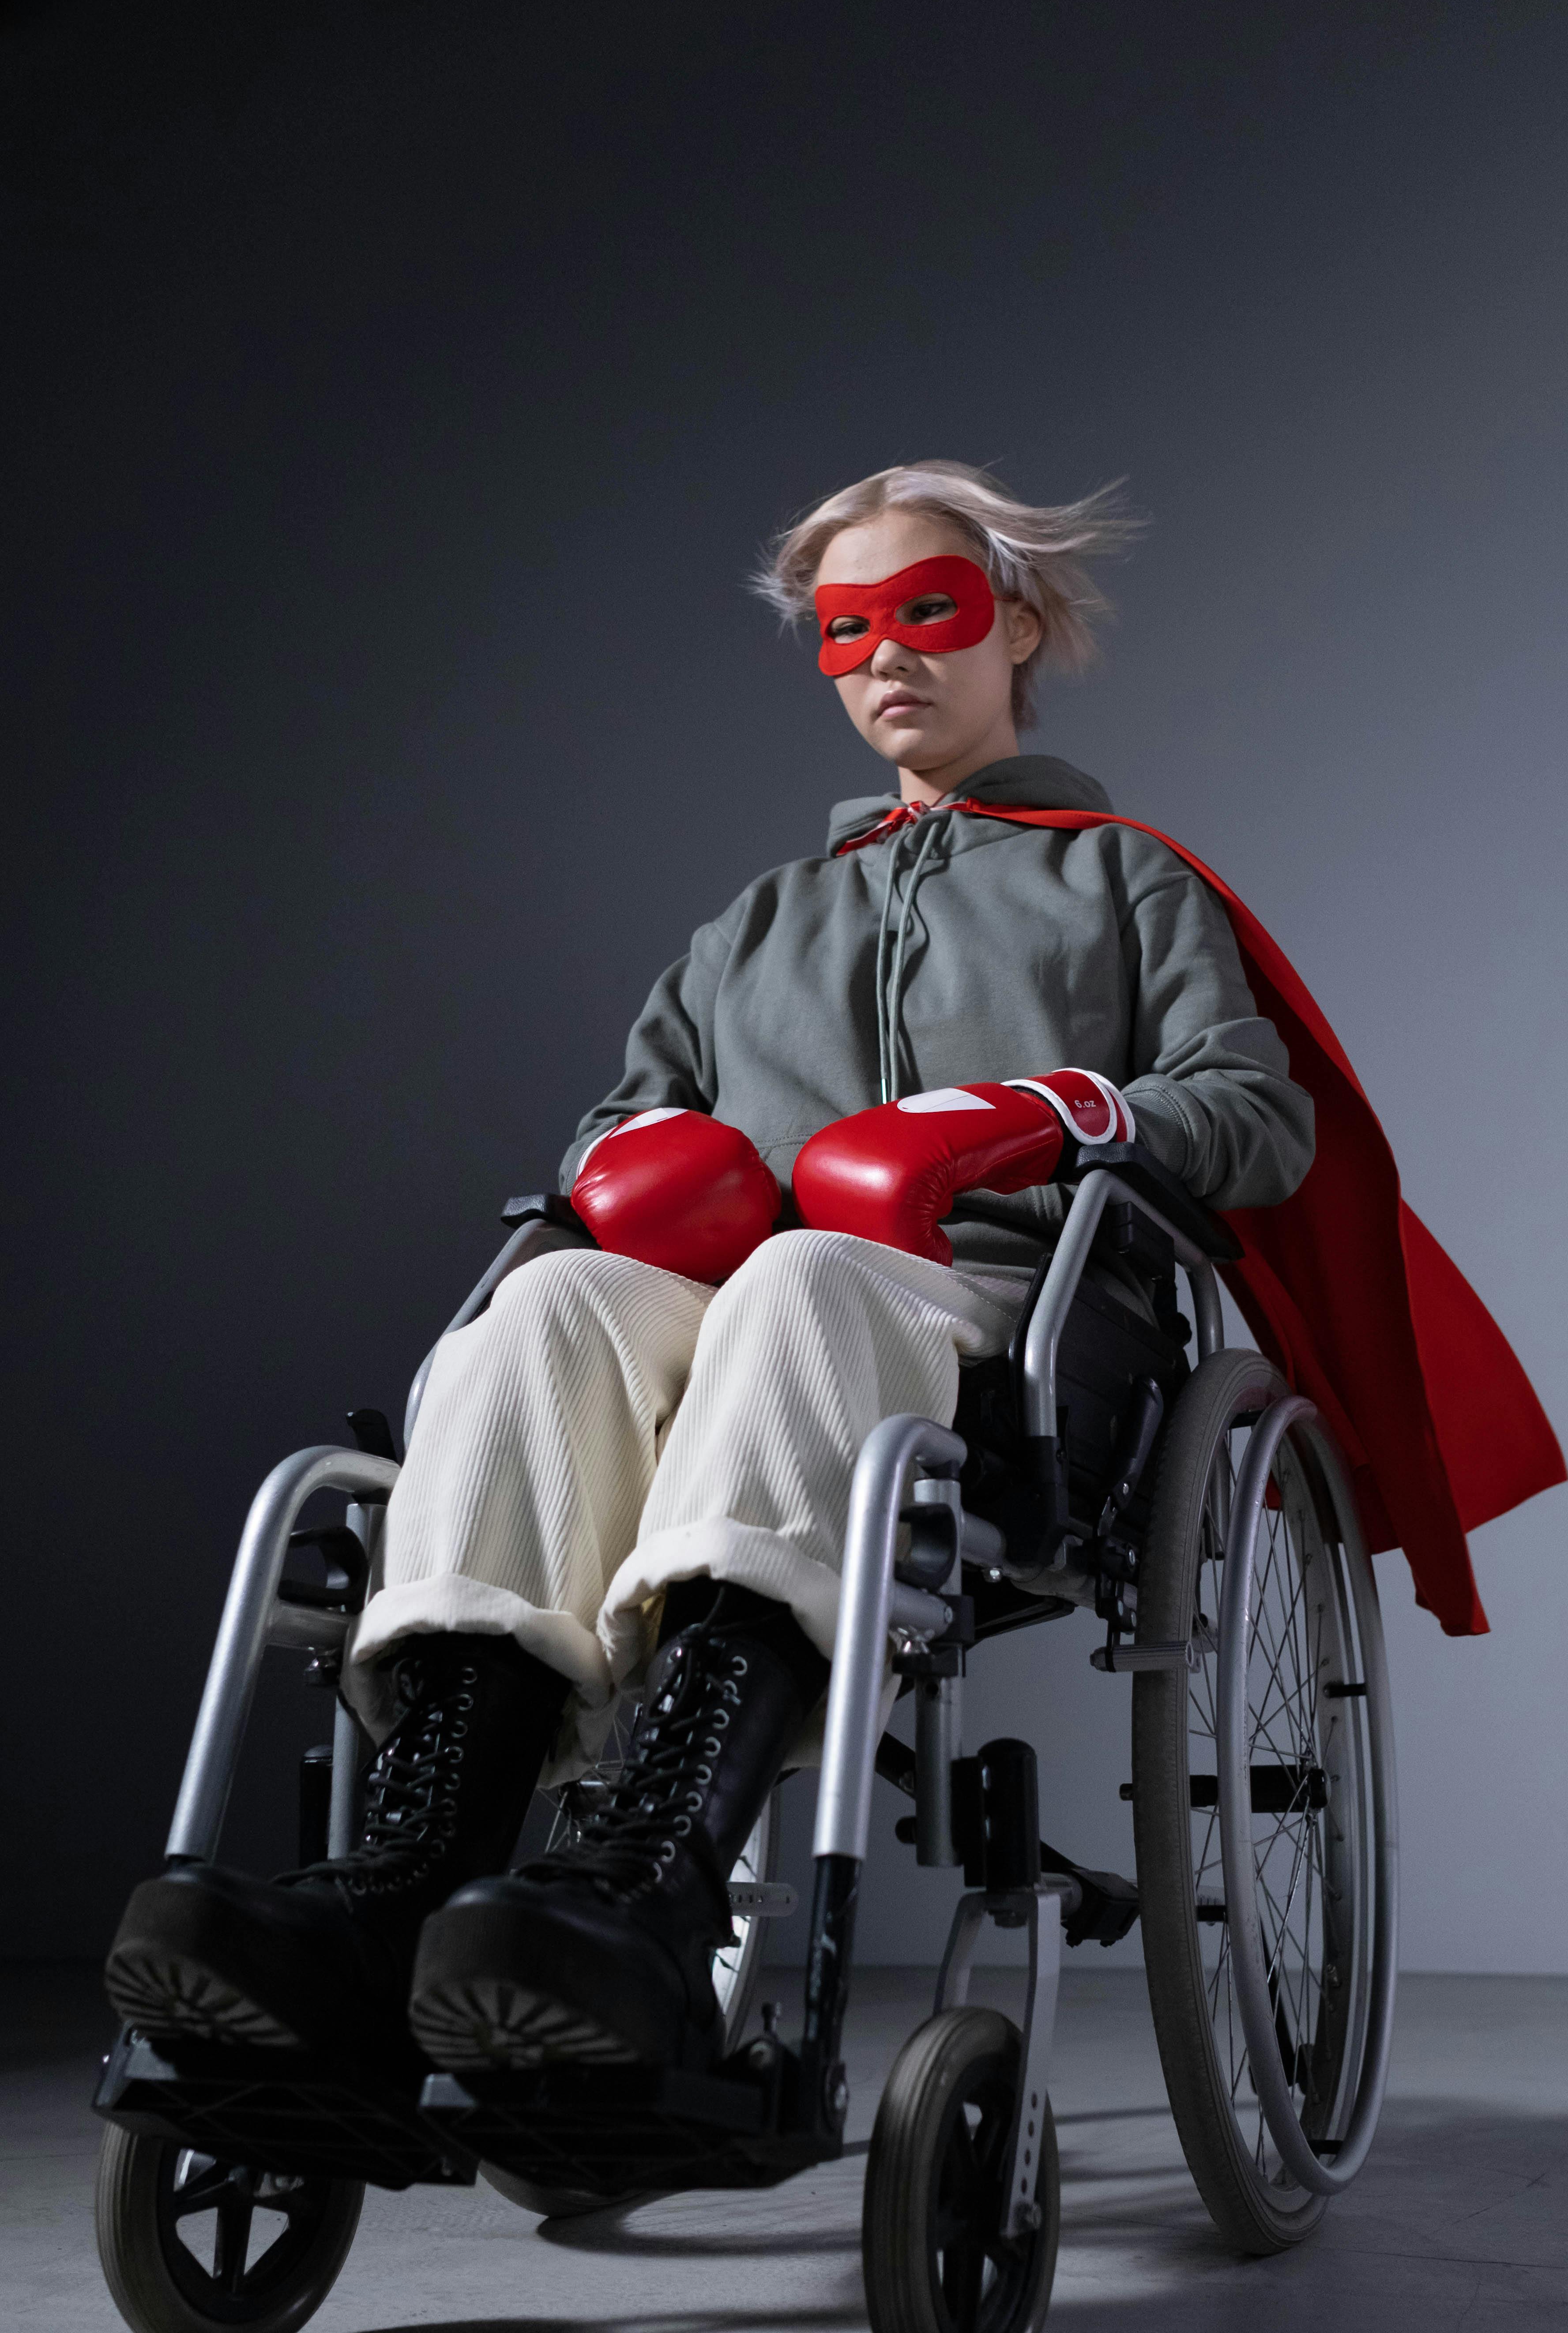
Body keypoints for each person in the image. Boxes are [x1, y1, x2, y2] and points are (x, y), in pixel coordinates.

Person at [104, 458, 1322, 2078]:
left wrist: (1044, 1106)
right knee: (553, 1304)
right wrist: (634, 1175)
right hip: (743, 1314)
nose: (886, 654)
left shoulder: (1122, 882)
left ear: (1015, 622)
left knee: (802, 1283)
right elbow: (621, 1122)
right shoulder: (755, 926)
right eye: (846, 628)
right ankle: (398, 1895)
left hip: (1003, 1324)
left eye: (927, 611)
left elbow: (1255, 1114)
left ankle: (655, 1889)